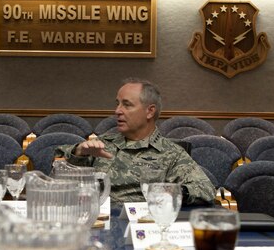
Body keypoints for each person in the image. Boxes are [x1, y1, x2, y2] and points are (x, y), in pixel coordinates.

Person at [53, 77, 215, 205]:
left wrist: (166, 192)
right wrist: (78, 154)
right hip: (96, 221)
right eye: (117, 104)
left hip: (142, 223)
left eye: (127, 105)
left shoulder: (171, 153)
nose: (117, 111)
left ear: (150, 111)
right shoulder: (100, 144)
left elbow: (205, 190)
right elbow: (55, 181)